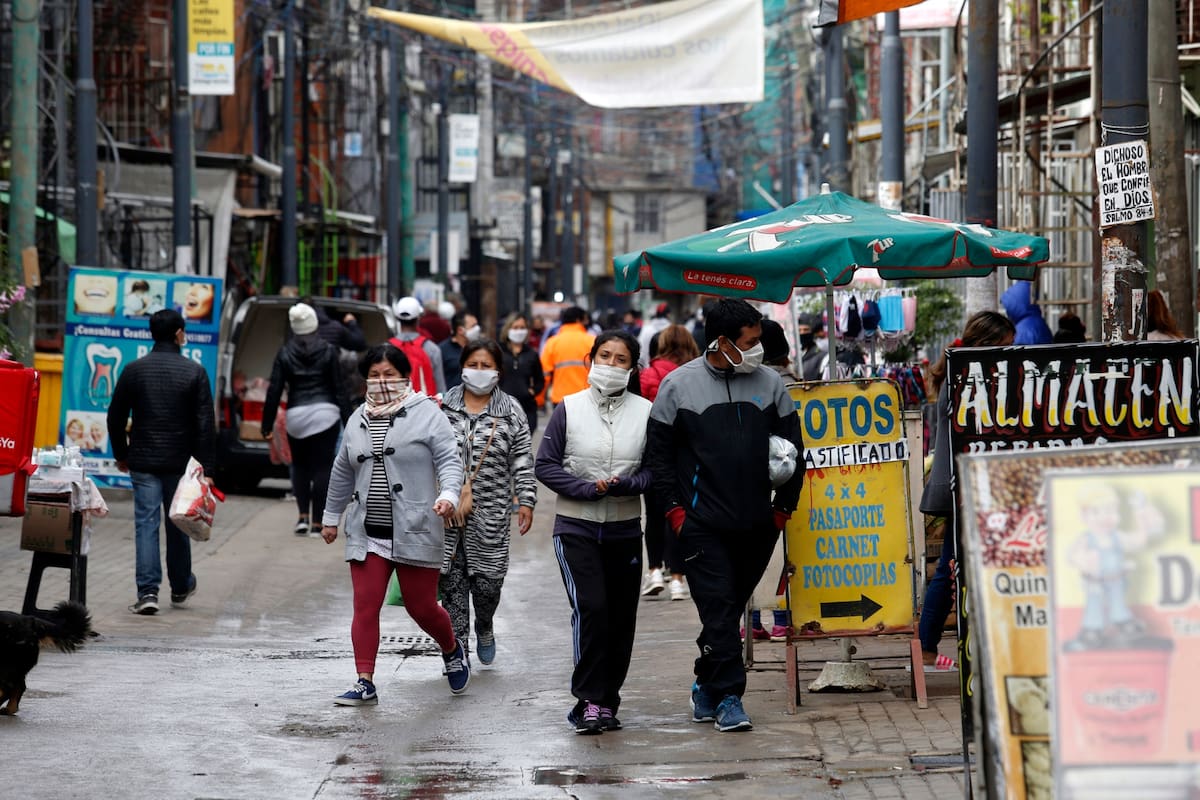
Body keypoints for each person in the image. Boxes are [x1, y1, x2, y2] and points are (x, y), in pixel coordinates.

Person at [646, 298, 805, 733]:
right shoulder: (678, 386)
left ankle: (705, 683)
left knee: (726, 610)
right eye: (750, 342)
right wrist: (676, 513)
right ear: (722, 342)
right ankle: (730, 697)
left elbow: (795, 450)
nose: (758, 349)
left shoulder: (771, 383)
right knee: (718, 610)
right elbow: (658, 457)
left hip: (758, 524)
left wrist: (782, 510)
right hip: (701, 525)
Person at [320, 344, 470, 705]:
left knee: (422, 608)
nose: (381, 381)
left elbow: (449, 460)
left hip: (415, 525)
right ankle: (364, 681)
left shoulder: (427, 414)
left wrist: (449, 495)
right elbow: (342, 470)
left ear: (404, 376)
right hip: (367, 531)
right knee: (365, 606)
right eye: (374, 375)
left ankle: (451, 648)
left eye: (389, 374)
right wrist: (330, 517)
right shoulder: (357, 418)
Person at [534, 330, 652, 735]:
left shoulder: (645, 412)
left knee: (620, 618)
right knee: (592, 609)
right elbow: (545, 465)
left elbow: (656, 471)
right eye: (605, 356)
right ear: (591, 359)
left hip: (624, 529)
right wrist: (584, 489)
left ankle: (606, 701)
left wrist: (628, 484)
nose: (611, 365)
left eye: (621, 359)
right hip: (575, 527)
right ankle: (587, 699)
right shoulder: (568, 408)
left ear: (632, 368)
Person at [918, 311, 1015, 669]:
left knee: (952, 563)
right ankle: (926, 648)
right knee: (950, 566)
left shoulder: (960, 370)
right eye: (1005, 345)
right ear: (987, 343)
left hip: (961, 484)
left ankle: (929, 647)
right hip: (962, 485)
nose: (1010, 352)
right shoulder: (965, 375)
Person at [106, 309, 215, 615]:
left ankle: (147, 592)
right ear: (179, 333)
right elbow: (205, 424)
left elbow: (115, 416)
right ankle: (180, 587)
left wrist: (122, 454)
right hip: (180, 465)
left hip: (143, 461)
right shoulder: (194, 372)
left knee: (146, 523)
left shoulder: (134, 370)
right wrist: (207, 469)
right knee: (179, 522)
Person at [439, 339, 536, 665]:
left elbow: (522, 460)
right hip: (447, 513)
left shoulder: (511, 411)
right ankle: (457, 654)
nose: (479, 371)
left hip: (492, 513)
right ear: (462, 367)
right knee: (451, 583)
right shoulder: (442, 407)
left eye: (486, 366)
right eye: (473, 365)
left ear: (498, 371)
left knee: (487, 586)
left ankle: (484, 624)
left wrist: (526, 499)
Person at [262, 303, 351, 536]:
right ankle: (317, 523)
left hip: (296, 415)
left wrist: (266, 425)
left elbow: (274, 390)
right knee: (323, 466)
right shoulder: (329, 351)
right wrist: (350, 421)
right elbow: (340, 389)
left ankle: (302, 517)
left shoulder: (284, 352)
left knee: (300, 465)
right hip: (326, 413)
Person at [745, 318, 798, 641]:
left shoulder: (750, 384)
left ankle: (751, 619)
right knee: (787, 549)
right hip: (793, 484)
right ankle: (782, 618)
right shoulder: (797, 384)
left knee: (753, 553)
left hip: (754, 481)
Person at [638, 324, 699, 602]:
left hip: (652, 452)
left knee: (653, 514)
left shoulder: (648, 374)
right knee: (678, 512)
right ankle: (677, 579)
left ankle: (653, 571)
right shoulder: (696, 374)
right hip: (685, 454)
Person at [540, 306, 595, 412]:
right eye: (585, 319)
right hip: (587, 398)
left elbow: (545, 375)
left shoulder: (552, 342)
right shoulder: (592, 341)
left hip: (560, 399)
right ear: (578, 320)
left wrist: (540, 399)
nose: (587, 322)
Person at [499, 313, 546, 434]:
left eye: (522, 327)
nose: (519, 331)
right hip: (502, 409)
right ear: (508, 329)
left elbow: (540, 380)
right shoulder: (499, 351)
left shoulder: (531, 354)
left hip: (526, 409)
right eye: (515, 327)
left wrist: (532, 391)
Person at [390, 296, 446, 396]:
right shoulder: (432, 349)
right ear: (418, 318)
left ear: (398, 318)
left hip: (394, 404)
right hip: (426, 404)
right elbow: (440, 389)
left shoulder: (387, 348)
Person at [439, 311, 480, 390]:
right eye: (473, 326)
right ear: (460, 330)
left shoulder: (479, 348)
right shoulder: (442, 350)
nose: (477, 329)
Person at [637, 302, 671, 367]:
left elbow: (640, 348)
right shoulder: (671, 330)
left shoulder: (646, 328)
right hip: (667, 369)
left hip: (646, 367)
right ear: (668, 314)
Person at [797, 314, 826, 381]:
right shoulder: (796, 355)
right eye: (799, 330)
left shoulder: (821, 355)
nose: (802, 333)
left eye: (806, 330)